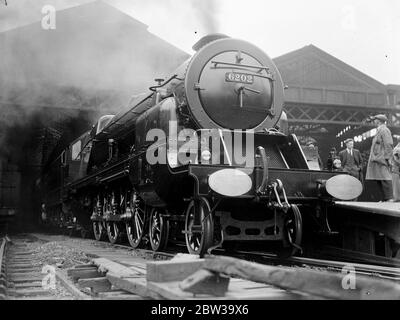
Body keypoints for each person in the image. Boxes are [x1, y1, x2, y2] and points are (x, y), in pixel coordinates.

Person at [365, 114, 394, 201]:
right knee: (379, 179)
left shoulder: (384, 130)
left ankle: (389, 198)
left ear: (379, 121)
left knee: (385, 178)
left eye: (375, 119)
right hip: (377, 159)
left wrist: (388, 158)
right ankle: (384, 198)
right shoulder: (379, 130)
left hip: (381, 159)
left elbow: (388, 144)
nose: (374, 121)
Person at [390, 135, 400, 201]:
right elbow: (397, 160)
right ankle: (397, 198)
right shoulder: (397, 149)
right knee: (396, 186)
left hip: (397, 169)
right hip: (396, 169)